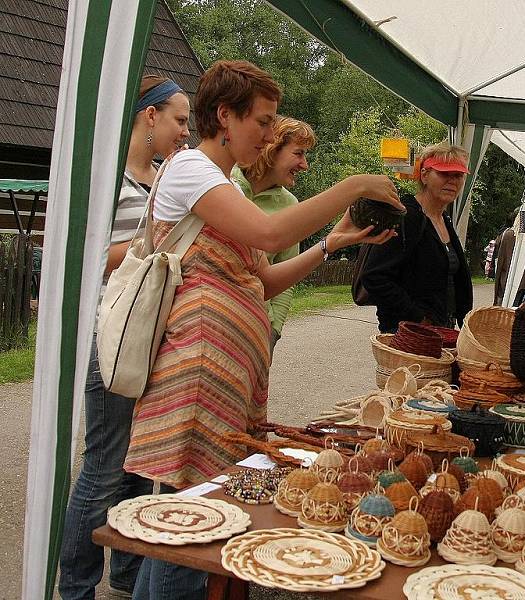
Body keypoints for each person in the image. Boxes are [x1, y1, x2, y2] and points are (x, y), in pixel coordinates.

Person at [124, 60, 401, 599]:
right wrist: (353, 186)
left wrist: (331, 245)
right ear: (224, 116)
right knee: (189, 528)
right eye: (264, 121)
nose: (272, 135)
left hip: (224, 373)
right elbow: (272, 233)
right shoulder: (189, 169)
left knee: (196, 524)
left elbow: (264, 282)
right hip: (198, 370)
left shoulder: (220, 180)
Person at [58, 76, 190, 600]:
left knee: (139, 465)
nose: (185, 131)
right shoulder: (104, 181)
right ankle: (75, 589)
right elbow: (78, 255)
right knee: (106, 466)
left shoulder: (161, 178)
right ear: (149, 116)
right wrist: (150, 240)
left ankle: (127, 577)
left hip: (153, 338)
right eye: (179, 119)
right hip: (111, 337)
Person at [360, 141, 473, 333]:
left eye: (458, 175)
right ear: (425, 175)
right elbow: (374, 276)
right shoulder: (406, 216)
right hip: (408, 336)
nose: (452, 181)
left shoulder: (443, 219)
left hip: (440, 331)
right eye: (444, 173)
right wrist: (418, 318)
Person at [231, 116, 316, 354]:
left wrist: (274, 328)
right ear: (272, 149)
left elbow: (286, 273)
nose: (304, 165)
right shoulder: (224, 182)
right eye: (298, 154)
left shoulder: (291, 206)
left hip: (256, 326)